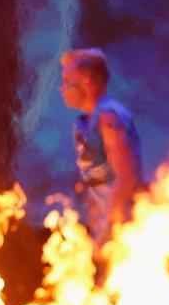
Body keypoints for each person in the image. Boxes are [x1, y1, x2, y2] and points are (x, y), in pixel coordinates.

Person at [59, 48, 144, 244]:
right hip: (101, 230)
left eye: (67, 81)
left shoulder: (109, 117)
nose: (62, 89)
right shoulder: (85, 122)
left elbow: (126, 177)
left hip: (121, 234)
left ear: (86, 80)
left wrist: (110, 231)